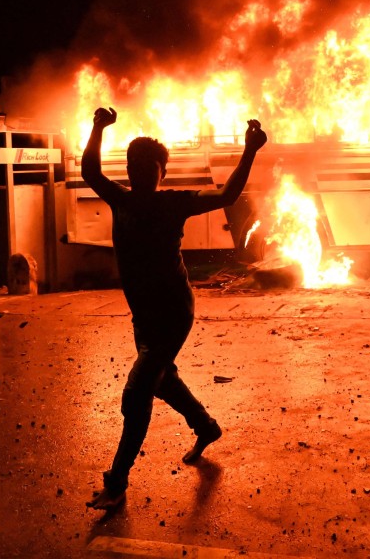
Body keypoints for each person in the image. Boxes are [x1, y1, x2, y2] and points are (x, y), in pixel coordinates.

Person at [81, 106, 267, 511]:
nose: (141, 170)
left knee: (137, 392)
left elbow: (227, 195)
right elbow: (91, 172)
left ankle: (117, 482)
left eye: (150, 164)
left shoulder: (173, 204)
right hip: (144, 315)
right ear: (129, 170)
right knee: (163, 381)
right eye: (134, 163)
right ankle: (206, 426)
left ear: (161, 172)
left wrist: (250, 150)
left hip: (172, 313)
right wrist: (97, 129)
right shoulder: (121, 200)